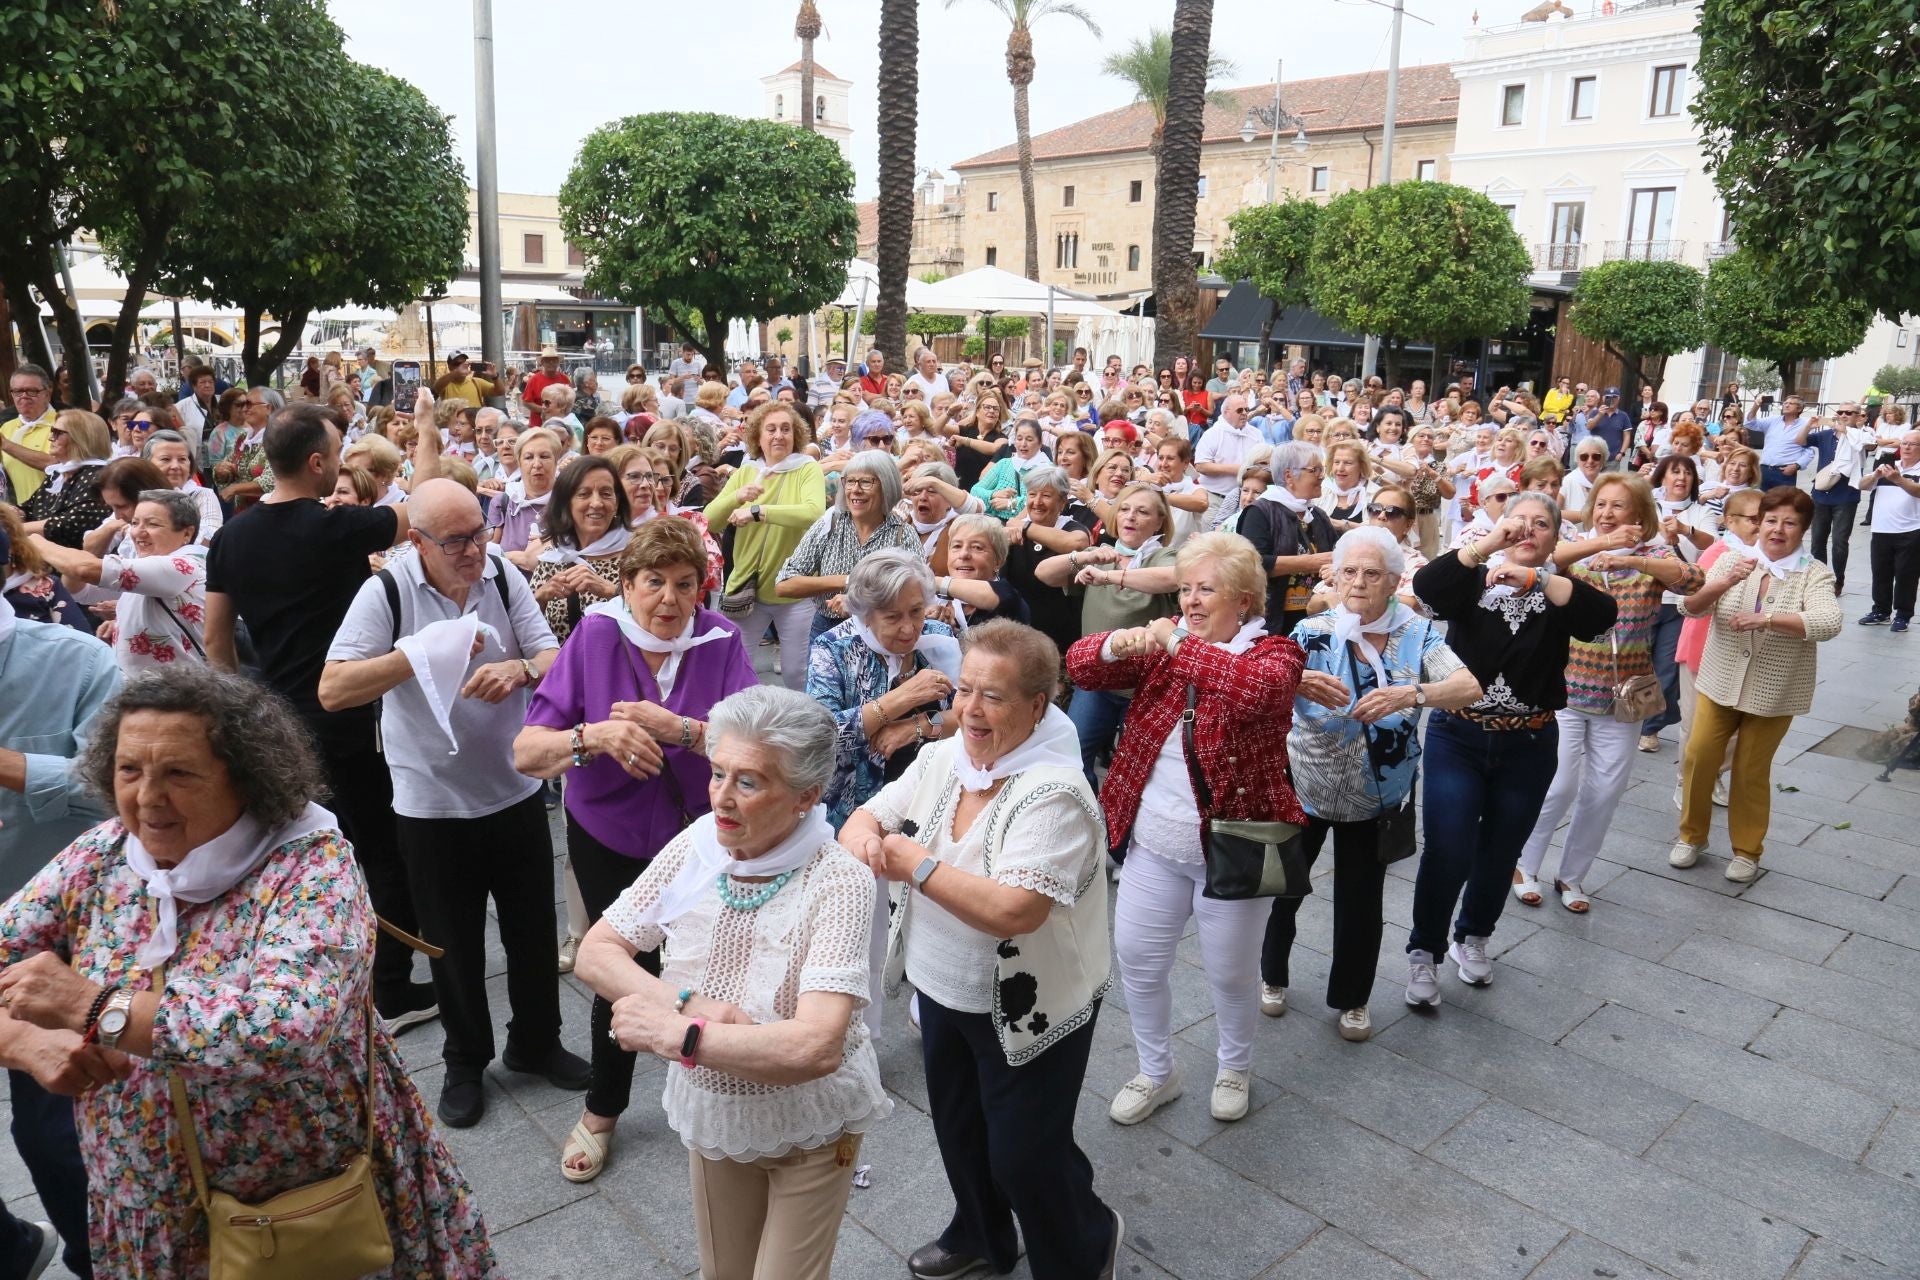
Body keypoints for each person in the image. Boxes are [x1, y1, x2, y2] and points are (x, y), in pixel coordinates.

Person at [0, 666, 498, 1276]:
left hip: (311, 1205)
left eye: (179, 772)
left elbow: (285, 1029)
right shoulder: (100, 855)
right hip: (151, 1206)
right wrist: (23, 1041)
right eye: (130, 769)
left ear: (246, 776)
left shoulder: (309, 863)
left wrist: (96, 1006)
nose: (148, 797)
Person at [569, 686, 886, 1280]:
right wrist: (691, 1006)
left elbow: (815, 1047)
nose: (720, 797)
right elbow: (598, 950)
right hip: (719, 1115)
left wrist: (679, 1035)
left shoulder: (839, 881)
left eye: (749, 782)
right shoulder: (698, 846)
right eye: (718, 773)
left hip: (812, 1126)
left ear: (806, 796)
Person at [842, 620, 1123, 1280]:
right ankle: (981, 1234)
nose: (969, 709)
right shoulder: (946, 761)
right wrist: (866, 843)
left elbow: (1015, 910)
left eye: (992, 697)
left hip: (1033, 1010)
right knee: (964, 1133)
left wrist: (910, 863)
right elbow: (868, 815)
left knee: (1026, 1154)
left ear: (1037, 706)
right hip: (940, 986)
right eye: (965, 689)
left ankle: (1083, 1245)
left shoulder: (1054, 793)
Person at [318, 478, 582, 1129]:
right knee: (452, 942)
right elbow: (333, 688)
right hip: (430, 804)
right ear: (418, 542)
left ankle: (536, 1042)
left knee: (530, 930)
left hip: (515, 787)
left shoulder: (498, 572)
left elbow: (551, 653)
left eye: (480, 532)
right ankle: (465, 1059)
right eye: (456, 540)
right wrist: (419, 654)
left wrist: (520, 669)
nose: (472, 551)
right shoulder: (387, 590)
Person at [203, 401, 441, 1034]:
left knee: (308, 855)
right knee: (385, 854)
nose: (339, 462)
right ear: (316, 463)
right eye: (335, 454)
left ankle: (322, 980)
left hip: (278, 722)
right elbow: (424, 504)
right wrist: (422, 431)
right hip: (351, 718)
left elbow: (216, 641)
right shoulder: (334, 528)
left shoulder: (231, 534)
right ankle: (389, 990)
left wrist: (245, 712)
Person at [1068, 532, 1309, 1119]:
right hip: (1154, 843)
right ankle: (1157, 1071)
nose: (1192, 601)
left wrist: (1171, 638)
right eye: (1184, 590)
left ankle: (1234, 1066)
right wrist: (1114, 646)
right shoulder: (1173, 646)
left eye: (1207, 589)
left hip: (1234, 846)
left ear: (1245, 600)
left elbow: (1253, 691)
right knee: (1139, 962)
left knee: (1230, 973)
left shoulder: (1275, 654)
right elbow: (1078, 667)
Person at [1405, 491, 1616, 1002]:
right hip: (1459, 735)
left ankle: (1473, 936)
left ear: (1555, 539)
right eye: (1516, 521)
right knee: (1448, 846)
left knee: (1501, 850)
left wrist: (1540, 580)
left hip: (1530, 741)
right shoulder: (1470, 578)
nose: (1526, 531)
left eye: (1540, 524)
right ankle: (1425, 953)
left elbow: (1601, 618)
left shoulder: (1560, 590)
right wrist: (1482, 549)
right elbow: (1426, 589)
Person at [1272, 527, 1480, 1037]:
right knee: (1283, 889)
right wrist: (1292, 681)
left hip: (1377, 793)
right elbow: (1267, 686)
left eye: (1372, 573)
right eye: (1349, 572)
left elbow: (1468, 687)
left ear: (1392, 581)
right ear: (1335, 577)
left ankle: (1352, 998)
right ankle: (1272, 974)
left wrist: (1411, 695)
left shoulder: (1419, 633)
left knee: (1362, 900)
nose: (1359, 583)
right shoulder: (1311, 630)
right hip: (1307, 781)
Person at [0, 519, 118, 1279]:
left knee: (58, 1134)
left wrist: (13, 768)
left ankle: (101, 1257)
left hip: (59, 942)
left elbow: (121, 796)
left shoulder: (75, 660)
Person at [1512, 474, 1702, 912]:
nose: (1607, 513)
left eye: (1619, 506)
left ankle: (1572, 876)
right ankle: (1524, 864)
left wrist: (1635, 561)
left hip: (1625, 696)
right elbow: (1547, 561)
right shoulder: (1577, 548)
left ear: (1639, 513)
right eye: (1601, 504)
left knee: (1603, 792)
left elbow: (1692, 580)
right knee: (1558, 786)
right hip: (1566, 690)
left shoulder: (1652, 555)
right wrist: (1601, 545)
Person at [1672, 487, 1841, 880]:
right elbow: (1689, 606)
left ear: (1803, 531)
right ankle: (1692, 835)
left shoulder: (1814, 574)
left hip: (1775, 690)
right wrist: (1723, 581)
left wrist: (1766, 620)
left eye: (1790, 523)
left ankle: (1747, 851)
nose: (1778, 530)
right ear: (1759, 523)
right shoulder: (1733, 560)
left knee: (1750, 768)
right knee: (1698, 755)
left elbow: (1828, 623)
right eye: (1771, 520)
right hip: (1719, 679)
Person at [1035, 483, 1180, 783]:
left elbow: (1173, 578)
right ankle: (1088, 818)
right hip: (1096, 681)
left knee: (1136, 773)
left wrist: (1111, 575)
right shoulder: (1100, 553)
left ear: (1160, 522)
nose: (1131, 517)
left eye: (1143, 512)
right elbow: (1044, 573)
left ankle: (1119, 828)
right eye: (1125, 509)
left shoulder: (1164, 556)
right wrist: (1082, 559)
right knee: (1071, 758)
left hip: (1144, 688)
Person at [806, 547, 960, 829]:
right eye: (892, 617)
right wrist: (903, 697)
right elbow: (821, 735)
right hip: (854, 810)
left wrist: (921, 724)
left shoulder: (939, 639)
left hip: (930, 798)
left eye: (916, 611)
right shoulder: (834, 649)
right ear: (865, 615)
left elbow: (965, 715)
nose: (909, 628)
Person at [705, 401, 828, 690]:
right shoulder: (748, 472)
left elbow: (814, 513)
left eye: (786, 429)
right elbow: (709, 520)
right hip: (748, 590)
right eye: (770, 429)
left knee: (797, 673)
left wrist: (759, 511)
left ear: (796, 435)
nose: (778, 436)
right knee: (734, 669)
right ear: (757, 437)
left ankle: (803, 733)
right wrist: (737, 497)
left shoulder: (807, 469)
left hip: (794, 590)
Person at [30, 488, 206, 671]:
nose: (139, 532)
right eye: (134, 523)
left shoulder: (183, 567)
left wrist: (36, 542)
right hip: (146, 690)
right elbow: (77, 588)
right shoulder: (144, 566)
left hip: (181, 692)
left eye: (152, 524)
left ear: (187, 534)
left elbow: (83, 569)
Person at [775, 451, 919, 640]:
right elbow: (784, 584)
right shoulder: (830, 524)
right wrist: (847, 580)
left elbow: (918, 591)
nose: (855, 490)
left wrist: (860, 601)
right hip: (828, 630)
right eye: (850, 481)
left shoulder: (902, 533)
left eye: (866, 482)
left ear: (886, 486)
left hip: (883, 633)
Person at [529, 455, 631, 644]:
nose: (597, 503)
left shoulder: (637, 556)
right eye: (584, 494)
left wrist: (611, 591)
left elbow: (655, 617)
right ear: (566, 503)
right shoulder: (553, 557)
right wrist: (541, 598)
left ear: (617, 503)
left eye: (606, 493)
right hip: (560, 670)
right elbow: (525, 629)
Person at [1239, 441, 1337, 637]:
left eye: (1321, 469)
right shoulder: (1260, 512)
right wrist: (1311, 561)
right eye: (1314, 470)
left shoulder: (1317, 515)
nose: (1321, 476)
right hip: (1271, 622)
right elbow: (1252, 563)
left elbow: (1336, 555)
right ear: (1288, 476)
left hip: (1315, 621)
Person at [20, 409, 113, 548]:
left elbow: (70, 524)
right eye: (52, 431)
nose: (50, 438)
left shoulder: (100, 476)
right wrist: (13, 513)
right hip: (41, 555)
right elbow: (29, 508)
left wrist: (15, 529)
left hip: (71, 560)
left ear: (80, 438)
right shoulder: (59, 473)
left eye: (57, 433)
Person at [1857, 429, 1920, 631]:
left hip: (1911, 531)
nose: (1907, 447)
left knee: (1906, 575)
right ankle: (1881, 611)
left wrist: (1899, 480)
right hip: (1882, 529)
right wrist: (1875, 475)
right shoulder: (1888, 466)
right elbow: (1862, 485)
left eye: (1913, 444)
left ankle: (1903, 615)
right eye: (1904, 443)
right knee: (1881, 573)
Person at [2, 364, 58, 507]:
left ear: (47, 393)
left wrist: (6, 445)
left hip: (57, 513)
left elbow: (55, 464)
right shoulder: (6, 427)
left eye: (32, 391)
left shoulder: (63, 424)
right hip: (21, 514)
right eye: (18, 391)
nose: (24, 396)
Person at [1755, 394, 1815, 491]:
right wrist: (1756, 405)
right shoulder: (1773, 420)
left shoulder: (1806, 425)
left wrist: (1796, 466)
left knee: (1783, 503)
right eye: (1785, 403)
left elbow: (1809, 451)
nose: (1786, 405)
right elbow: (1750, 423)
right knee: (1761, 503)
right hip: (1764, 470)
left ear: (1799, 409)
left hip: (1784, 472)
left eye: (1791, 403)